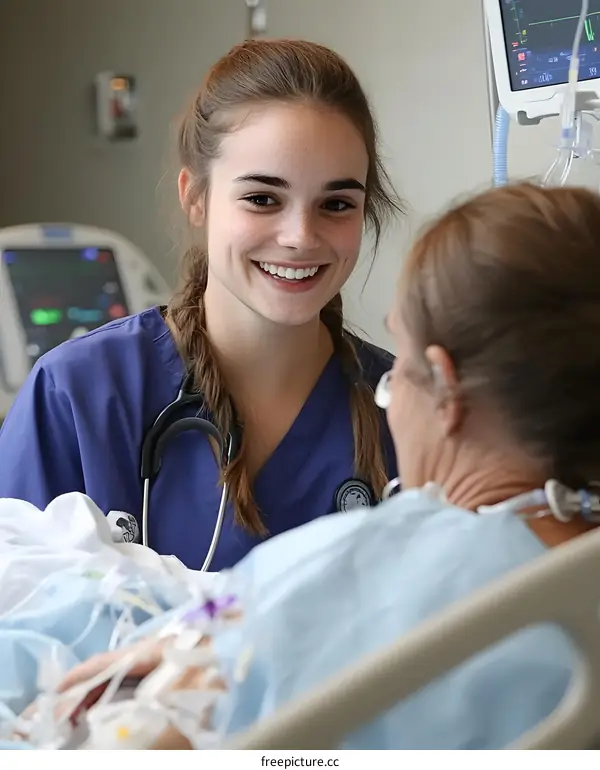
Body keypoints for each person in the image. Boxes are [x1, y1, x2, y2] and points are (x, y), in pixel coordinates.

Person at [48, 182, 600, 750]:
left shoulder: (367, 560)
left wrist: (206, 651)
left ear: (447, 393)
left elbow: (159, 739)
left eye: (402, 364)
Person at [0, 39, 402, 570]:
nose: (301, 236)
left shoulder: (406, 409)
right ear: (196, 198)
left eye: (336, 204)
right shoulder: (79, 395)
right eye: (263, 198)